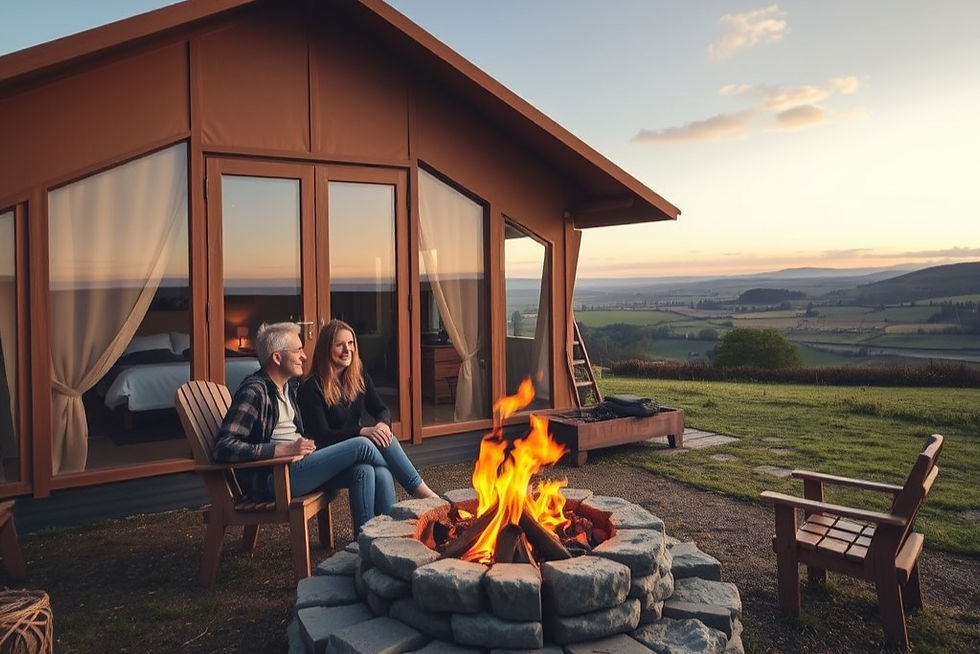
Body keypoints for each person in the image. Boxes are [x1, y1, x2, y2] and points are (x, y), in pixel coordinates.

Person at [211, 321, 399, 534]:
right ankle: (418, 489)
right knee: (363, 445)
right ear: (277, 357)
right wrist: (280, 450)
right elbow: (223, 447)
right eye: (298, 350)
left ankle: (372, 542)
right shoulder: (254, 392)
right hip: (276, 478)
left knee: (365, 470)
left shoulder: (289, 388)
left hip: (303, 466)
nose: (304, 356)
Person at [299, 319, 439, 500]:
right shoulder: (312, 387)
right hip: (327, 459)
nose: (347, 350)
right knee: (381, 450)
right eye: (339, 345)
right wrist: (363, 431)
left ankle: (385, 526)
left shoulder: (358, 376)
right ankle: (425, 494)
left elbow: (381, 409)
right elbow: (322, 436)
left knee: (379, 469)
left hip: (355, 452)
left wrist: (382, 425)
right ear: (326, 349)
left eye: (350, 343)